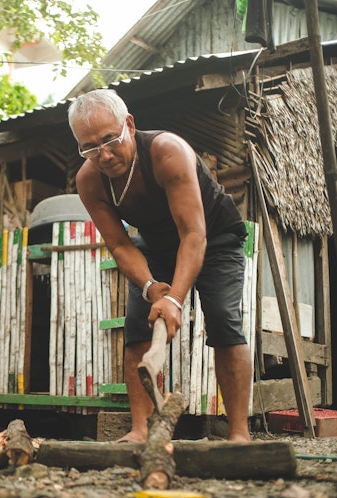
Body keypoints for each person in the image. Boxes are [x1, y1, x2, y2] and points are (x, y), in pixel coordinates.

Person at [68, 89, 252, 443]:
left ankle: (239, 434)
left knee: (223, 318)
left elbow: (193, 234)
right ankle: (141, 429)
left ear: (130, 124)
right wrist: (152, 288)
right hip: (156, 244)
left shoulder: (168, 152)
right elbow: (120, 244)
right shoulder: (89, 180)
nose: (103, 155)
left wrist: (175, 298)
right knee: (137, 323)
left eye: (110, 140)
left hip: (213, 236)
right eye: (89, 147)